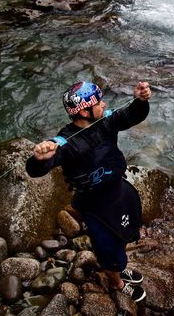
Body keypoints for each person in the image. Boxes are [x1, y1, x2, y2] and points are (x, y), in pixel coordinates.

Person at [26, 80, 152, 302]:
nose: (104, 104)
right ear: (84, 111)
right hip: (95, 206)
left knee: (123, 234)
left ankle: (119, 266)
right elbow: (40, 167)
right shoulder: (67, 141)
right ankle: (116, 282)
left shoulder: (105, 121)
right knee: (106, 247)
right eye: (98, 102)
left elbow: (131, 115)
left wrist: (141, 101)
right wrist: (39, 159)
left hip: (118, 191)